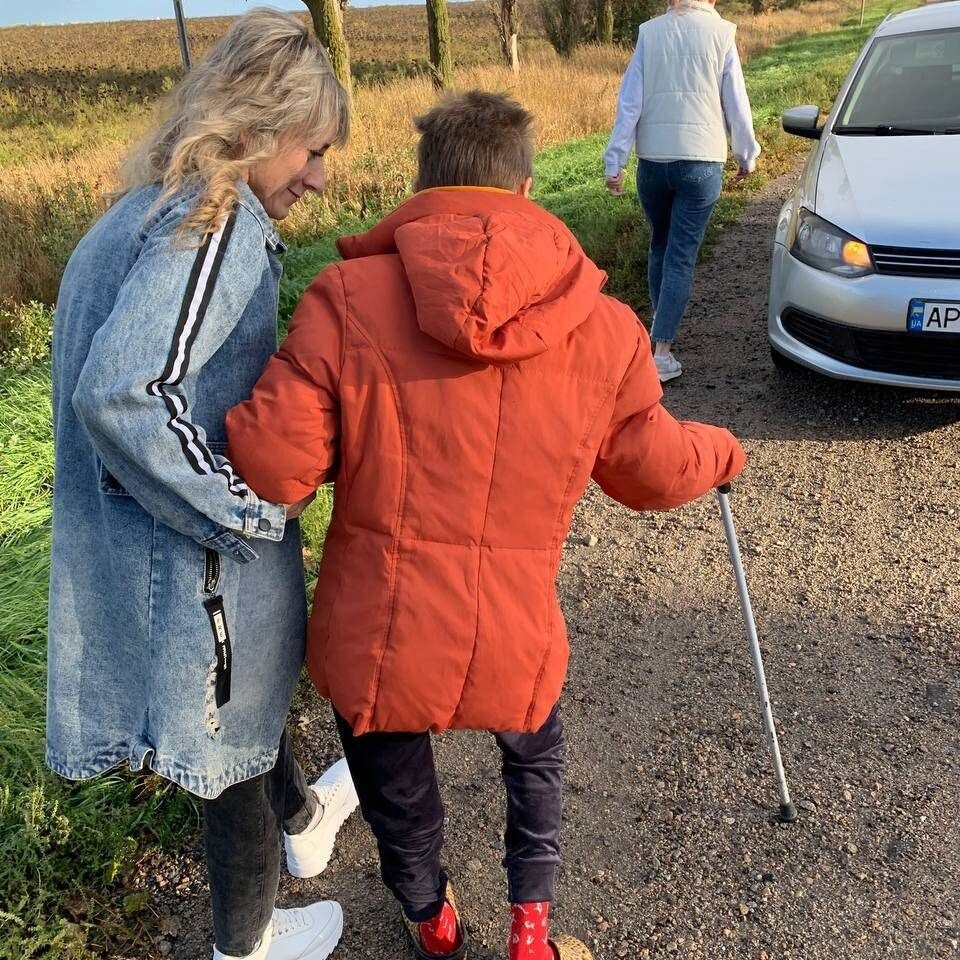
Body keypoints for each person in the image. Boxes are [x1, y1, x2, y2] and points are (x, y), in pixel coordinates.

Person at [226, 91, 746, 960]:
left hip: (379, 632)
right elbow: (652, 470)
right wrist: (723, 451)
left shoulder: (346, 298)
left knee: (391, 771)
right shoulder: (605, 328)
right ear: (528, 186)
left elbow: (276, 466)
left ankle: (432, 924)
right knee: (532, 746)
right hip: (515, 626)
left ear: (426, 183)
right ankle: (532, 932)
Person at [45, 11, 358, 960]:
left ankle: (303, 818)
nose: (317, 175)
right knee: (226, 744)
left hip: (148, 555)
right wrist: (246, 509)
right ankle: (247, 945)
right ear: (258, 127)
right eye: (311, 150)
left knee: (244, 719)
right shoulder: (214, 224)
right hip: (196, 570)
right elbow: (126, 393)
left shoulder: (142, 210)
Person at [604, 0, 761, 382]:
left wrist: (615, 161)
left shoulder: (649, 32)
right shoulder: (722, 33)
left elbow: (630, 102)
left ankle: (659, 328)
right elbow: (735, 103)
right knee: (681, 254)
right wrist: (746, 154)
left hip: (653, 161)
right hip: (701, 161)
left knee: (660, 243)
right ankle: (661, 352)